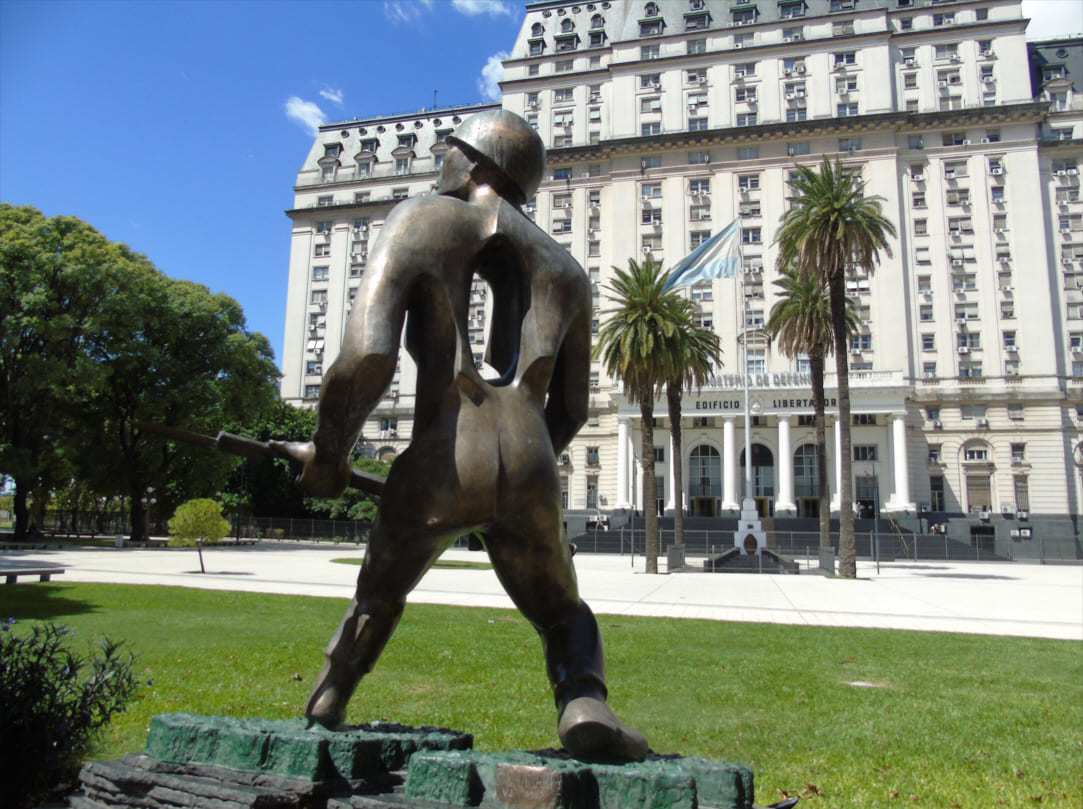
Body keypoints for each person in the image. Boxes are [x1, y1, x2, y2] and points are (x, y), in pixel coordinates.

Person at [273, 110, 647, 762]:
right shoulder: (566, 271)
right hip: (530, 453)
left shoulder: (420, 218)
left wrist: (329, 452)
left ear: (475, 161)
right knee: (561, 610)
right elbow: (575, 407)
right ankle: (583, 701)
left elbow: (366, 355)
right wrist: (518, 478)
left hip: (442, 450)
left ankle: (332, 692)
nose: (439, 163)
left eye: (448, 151)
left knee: (380, 590)